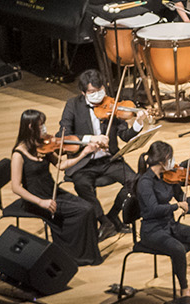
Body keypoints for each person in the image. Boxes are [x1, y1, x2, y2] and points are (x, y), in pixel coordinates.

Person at [58, 68, 148, 237]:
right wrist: (89, 139)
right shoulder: (73, 105)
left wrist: (138, 123)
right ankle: (104, 222)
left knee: (136, 182)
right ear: (83, 92)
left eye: (100, 90)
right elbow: (62, 135)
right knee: (82, 185)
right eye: (92, 92)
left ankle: (113, 215)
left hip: (109, 160)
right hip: (83, 162)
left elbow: (125, 136)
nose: (98, 95)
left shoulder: (112, 106)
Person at [8, 110, 101, 265]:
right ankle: (72, 255)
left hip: (52, 192)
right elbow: (16, 187)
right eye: (41, 125)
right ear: (31, 127)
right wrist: (40, 202)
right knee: (83, 210)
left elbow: (61, 165)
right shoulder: (19, 154)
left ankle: (82, 253)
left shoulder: (42, 145)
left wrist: (84, 152)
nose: (44, 128)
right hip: (36, 200)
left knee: (88, 208)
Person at [133, 140, 190, 298]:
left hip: (169, 225)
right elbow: (153, 209)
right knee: (178, 249)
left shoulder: (168, 177)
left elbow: (185, 202)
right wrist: (175, 206)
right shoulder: (145, 182)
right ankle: (184, 289)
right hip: (152, 231)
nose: (173, 161)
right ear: (162, 160)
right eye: (170, 158)